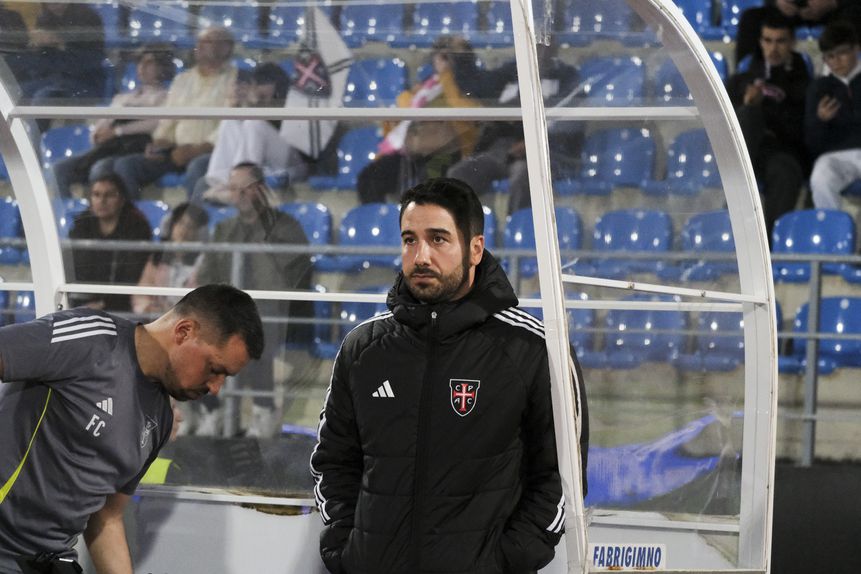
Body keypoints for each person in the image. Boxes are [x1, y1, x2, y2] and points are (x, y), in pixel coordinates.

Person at [311, 177, 589, 574]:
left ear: (475, 249)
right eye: (410, 239)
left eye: (438, 239)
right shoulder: (364, 349)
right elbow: (333, 461)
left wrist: (504, 561)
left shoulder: (534, 349)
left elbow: (562, 478)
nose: (421, 255)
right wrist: (348, 545)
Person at [0, 284, 264, 574]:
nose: (216, 388)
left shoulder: (160, 420)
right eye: (214, 370)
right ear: (184, 331)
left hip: (48, 562)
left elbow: (107, 517)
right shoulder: (91, 340)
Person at [194, 162, 313, 437]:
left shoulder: (286, 226)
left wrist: (264, 226)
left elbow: (298, 272)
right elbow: (208, 272)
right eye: (234, 189)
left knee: (255, 334)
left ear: (261, 189)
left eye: (246, 189)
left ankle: (263, 412)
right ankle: (213, 410)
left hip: (272, 311)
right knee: (196, 336)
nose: (239, 195)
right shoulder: (224, 229)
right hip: (227, 309)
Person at [448, 41, 583, 213]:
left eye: (543, 46)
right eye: (532, 45)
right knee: (460, 174)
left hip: (544, 154)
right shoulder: (512, 71)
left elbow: (569, 124)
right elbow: (478, 86)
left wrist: (534, 144)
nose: (538, 52)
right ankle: (461, 231)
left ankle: (519, 229)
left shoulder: (567, 78)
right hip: (503, 150)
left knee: (524, 175)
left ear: (553, 49)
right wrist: (462, 57)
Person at [110, 27, 237, 200]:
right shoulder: (182, 80)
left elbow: (229, 125)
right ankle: (133, 221)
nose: (199, 46)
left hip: (211, 153)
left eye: (207, 41)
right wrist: (159, 143)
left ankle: (192, 224)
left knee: (197, 168)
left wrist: (197, 149)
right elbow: (167, 120)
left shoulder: (236, 79)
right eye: (199, 42)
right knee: (126, 165)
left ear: (226, 48)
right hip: (176, 152)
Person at [356, 35, 481, 204]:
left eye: (452, 56)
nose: (444, 60)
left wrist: (448, 76)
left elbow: (462, 108)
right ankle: (379, 221)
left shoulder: (470, 85)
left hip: (448, 149)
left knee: (429, 182)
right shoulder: (427, 87)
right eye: (442, 55)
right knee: (369, 177)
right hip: (415, 149)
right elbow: (403, 108)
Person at [726, 12, 811, 239]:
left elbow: (802, 133)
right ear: (760, 41)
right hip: (747, 153)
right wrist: (748, 104)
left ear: (792, 42)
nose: (773, 48)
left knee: (784, 172)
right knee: (748, 114)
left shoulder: (804, 85)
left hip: (783, 151)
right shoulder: (740, 81)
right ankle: (732, 232)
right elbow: (723, 123)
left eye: (780, 41)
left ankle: (768, 250)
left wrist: (768, 115)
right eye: (768, 40)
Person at [51, 46, 174, 198]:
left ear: (162, 67)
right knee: (60, 169)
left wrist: (117, 132)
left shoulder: (165, 97)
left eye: (149, 63)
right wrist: (97, 134)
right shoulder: (122, 98)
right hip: (109, 147)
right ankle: (67, 213)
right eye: (140, 63)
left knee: (100, 168)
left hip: (133, 148)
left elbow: (155, 123)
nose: (142, 67)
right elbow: (104, 121)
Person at [195, 62, 310, 202]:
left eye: (264, 95)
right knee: (230, 122)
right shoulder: (252, 100)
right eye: (256, 89)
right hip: (263, 163)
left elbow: (299, 142)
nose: (260, 98)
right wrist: (241, 106)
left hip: (291, 163)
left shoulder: (292, 101)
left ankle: (244, 184)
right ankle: (221, 182)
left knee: (254, 123)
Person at [68, 174, 153, 312]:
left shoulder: (137, 227)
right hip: (83, 303)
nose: (102, 201)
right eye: (96, 195)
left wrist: (105, 304)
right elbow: (75, 268)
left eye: (109, 195)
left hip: (124, 306)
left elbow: (133, 274)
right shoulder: (81, 225)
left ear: (121, 199)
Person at [804, 21, 861, 210]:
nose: (836, 61)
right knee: (821, 177)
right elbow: (811, 142)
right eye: (830, 57)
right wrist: (820, 120)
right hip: (836, 156)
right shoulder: (819, 88)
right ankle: (832, 234)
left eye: (843, 53)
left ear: (856, 48)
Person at [132, 202, 210, 316]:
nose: (184, 230)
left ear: (200, 233)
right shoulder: (156, 258)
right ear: (171, 226)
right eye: (180, 223)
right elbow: (141, 295)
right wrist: (148, 307)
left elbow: (202, 303)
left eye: (191, 226)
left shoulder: (204, 262)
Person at [734, 0, 861, 65]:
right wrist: (778, 2)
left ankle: (852, 77)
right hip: (790, 11)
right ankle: (747, 80)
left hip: (835, 10)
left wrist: (833, 3)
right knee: (751, 18)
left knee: (855, 15)